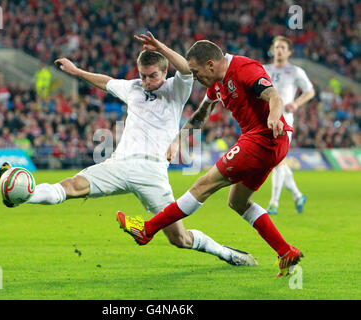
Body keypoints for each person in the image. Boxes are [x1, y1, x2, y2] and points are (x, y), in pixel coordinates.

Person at [0, 32, 258, 267]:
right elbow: (106, 82)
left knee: (180, 239)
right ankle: (22, 194)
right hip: (119, 164)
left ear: (164, 72)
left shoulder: (176, 89)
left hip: (152, 171)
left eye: (152, 75)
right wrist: (77, 73)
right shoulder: (133, 87)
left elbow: (186, 68)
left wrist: (160, 46)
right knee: (69, 187)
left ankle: (226, 253)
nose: (146, 81)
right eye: (142, 75)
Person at [117, 40, 303, 277]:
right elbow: (200, 115)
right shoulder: (216, 85)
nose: (193, 77)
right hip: (268, 143)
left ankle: (147, 230)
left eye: (195, 72)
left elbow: (274, 97)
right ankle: (286, 252)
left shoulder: (245, 68)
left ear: (210, 64)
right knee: (237, 202)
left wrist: (274, 118)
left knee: (202, 185)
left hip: (265, 138)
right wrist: (178, 139)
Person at [264, 36, 315, 215]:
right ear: (272, 49)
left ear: (289, 52)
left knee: (277, 161)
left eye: (283, 47)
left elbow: (310, 91)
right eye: (276, 47)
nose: (279, 50)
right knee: (277, 162)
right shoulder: (264, 69)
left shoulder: (295, 71)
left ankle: (274, 203)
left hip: (285, 120)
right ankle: (297, 195)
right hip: (265, 119)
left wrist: (297, 103)